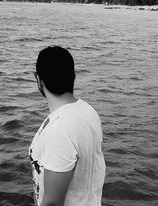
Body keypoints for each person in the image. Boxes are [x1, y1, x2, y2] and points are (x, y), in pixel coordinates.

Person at [29, 46, 106, 206]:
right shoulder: (87, 111)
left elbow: (52, 203)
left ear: (38, 79)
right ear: (73, 76)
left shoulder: (59, 130)